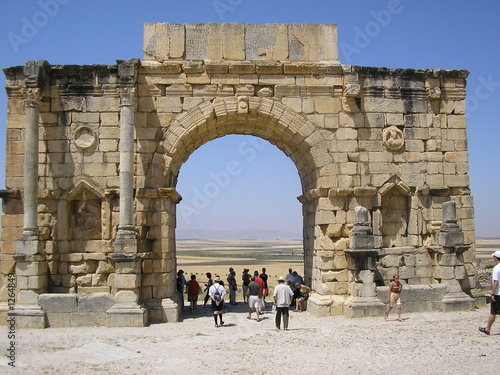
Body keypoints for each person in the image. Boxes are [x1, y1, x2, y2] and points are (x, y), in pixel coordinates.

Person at [479, 250, 500, 335]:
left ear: (496, 258)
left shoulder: (496, 268)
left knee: (493, 312)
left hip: (498, 294)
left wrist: (492, 293)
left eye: (493, 257)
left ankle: (487, 329)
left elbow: (496, 282)